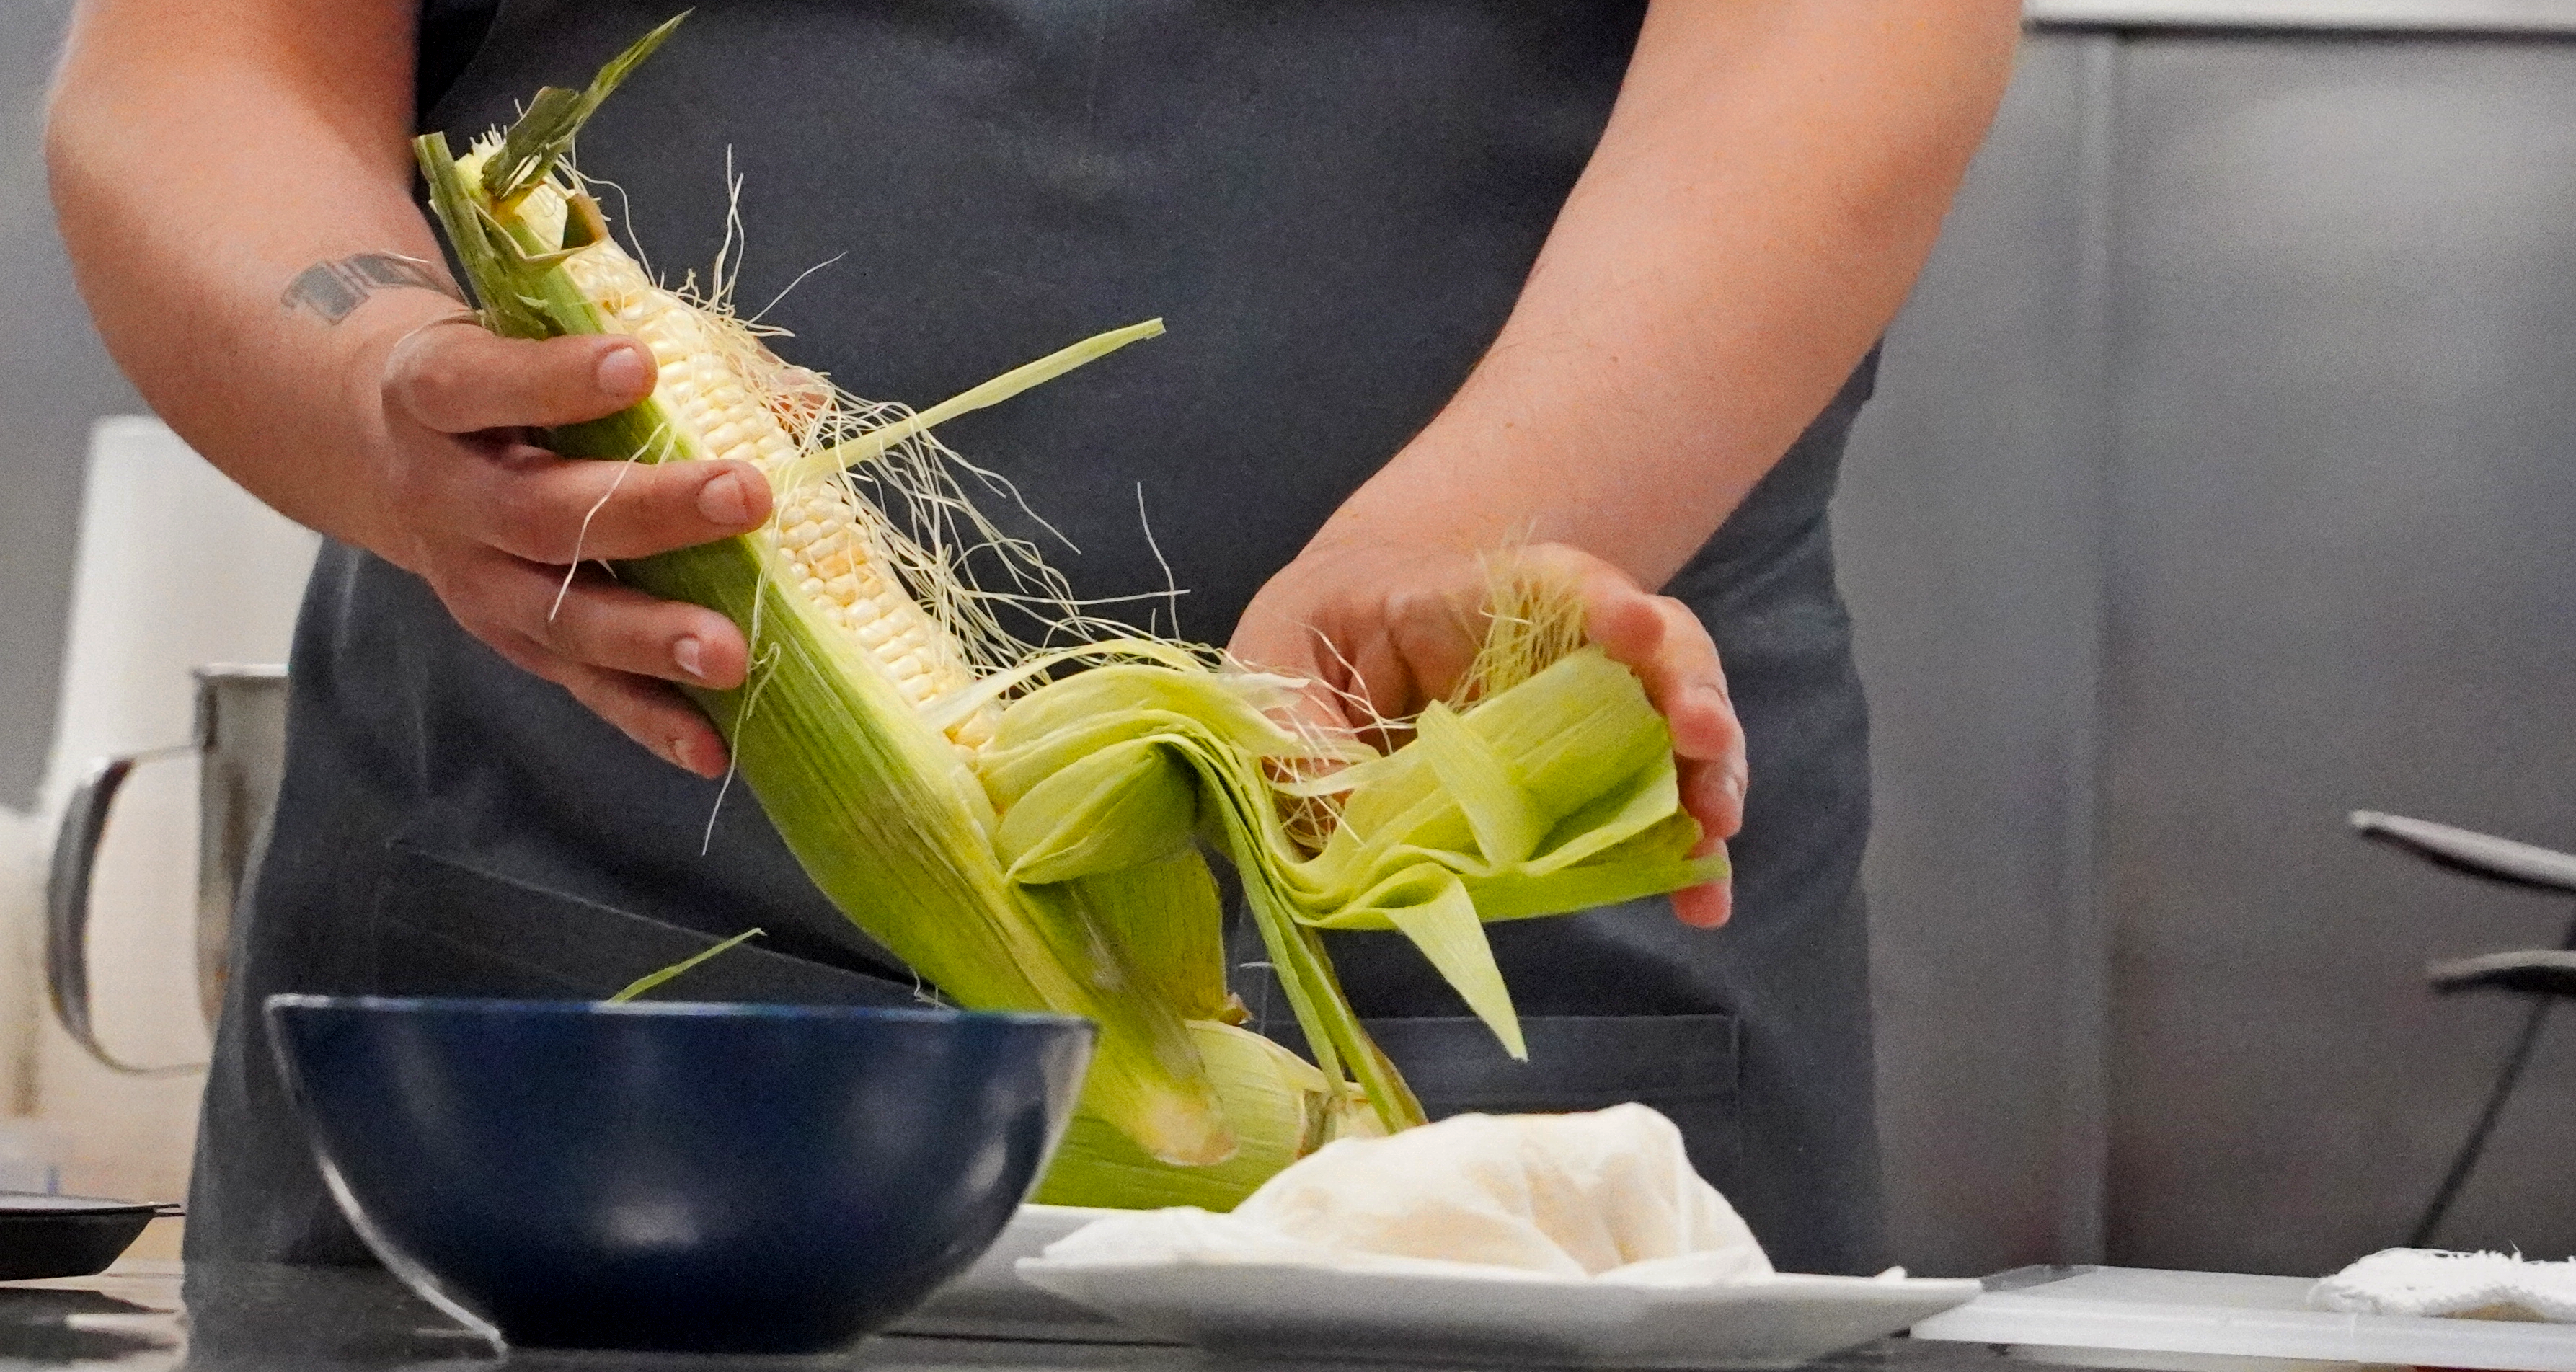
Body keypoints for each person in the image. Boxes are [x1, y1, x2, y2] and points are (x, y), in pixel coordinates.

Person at [48, 0, 2019, 1272]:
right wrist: (388, 381)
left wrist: (1481, 533)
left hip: (1484, 995)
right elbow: (199, 63)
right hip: (571, 996)